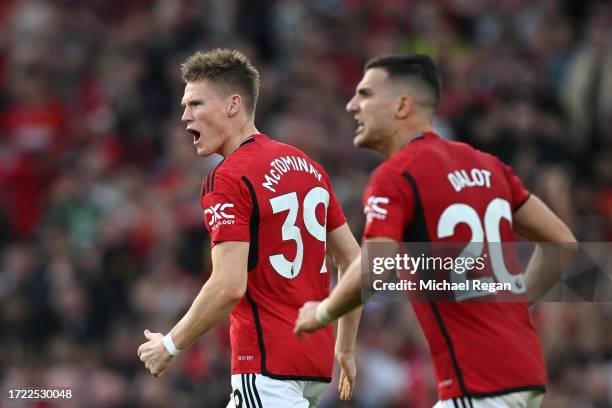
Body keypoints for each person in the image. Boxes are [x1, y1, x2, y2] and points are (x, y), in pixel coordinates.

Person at [294, 54, 577, 407]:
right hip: (522, 372)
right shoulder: (489, 165)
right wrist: (515, 304)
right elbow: (562, 243)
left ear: (401, 106)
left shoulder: (396, 176)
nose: (352, 106)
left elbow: (376, 267)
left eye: (365, 94)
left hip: (477, 385)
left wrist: (321, 313)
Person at [137, 48, 362, 407]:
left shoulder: (227, 178)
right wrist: (345, 347)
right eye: (184, 106)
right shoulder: (309, 167)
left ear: (232, 104)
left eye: (195, 104)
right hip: (314, 365)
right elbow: (354, 261)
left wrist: (170, 345)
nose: (184, 116)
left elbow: (228, 285)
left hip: (266, 366)